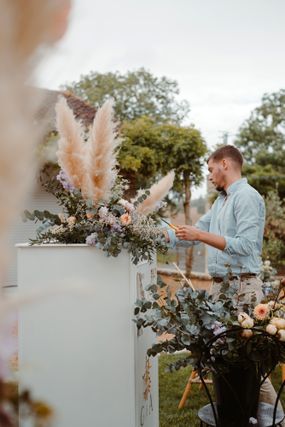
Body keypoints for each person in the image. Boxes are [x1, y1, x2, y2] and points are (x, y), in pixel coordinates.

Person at [165, 145, 284, 419]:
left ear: (225, 164)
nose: (209, 176)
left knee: (246, 363)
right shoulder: (221, 202)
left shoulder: (247, 197)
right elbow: (193, 232)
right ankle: (243, 416)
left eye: (210, 169)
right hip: (221, 288)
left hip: (242, 288)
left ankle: (272, 418)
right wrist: (152, 233)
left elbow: (244, 246)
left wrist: (199, 236)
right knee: (231, 361)